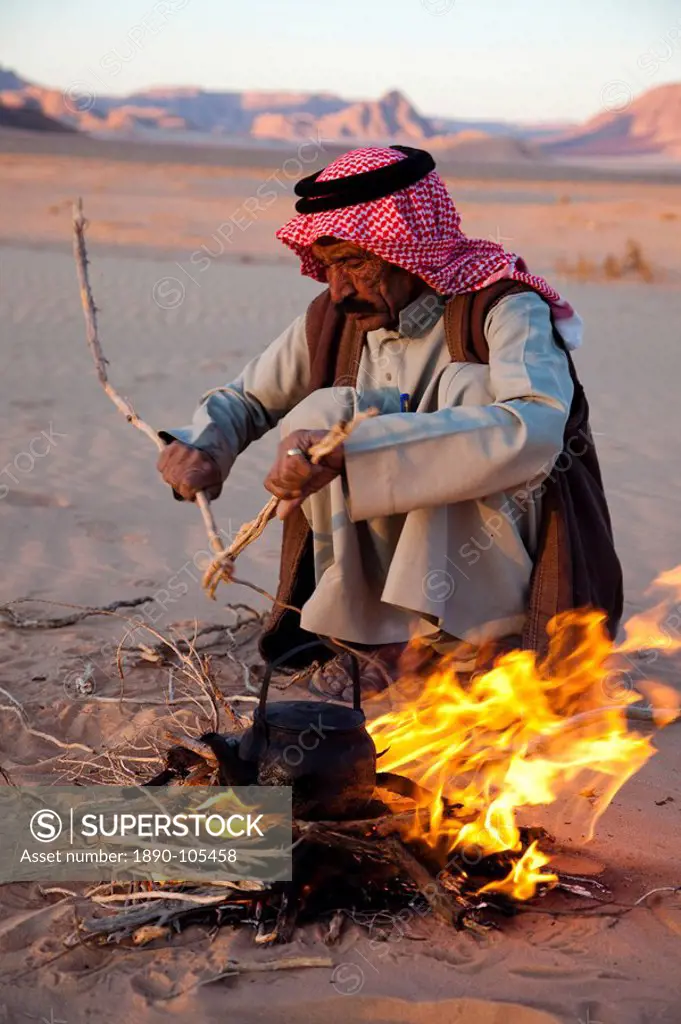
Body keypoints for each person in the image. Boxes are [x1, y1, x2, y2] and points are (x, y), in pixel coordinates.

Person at [158, 145, 622, 701]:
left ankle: (476, 642)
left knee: (467, 396)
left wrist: (360, 451)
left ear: (408, 248)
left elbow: (538, 428)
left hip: (514, 588)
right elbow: (248, 398)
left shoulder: (501, 307)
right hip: (381, 611)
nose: (338, 289)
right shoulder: (336, 319)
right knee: (327, 414)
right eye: (328, 266)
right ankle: (373, 638)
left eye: (356, 263)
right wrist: (203, 445)